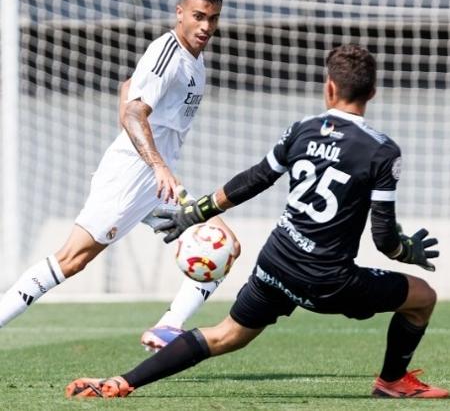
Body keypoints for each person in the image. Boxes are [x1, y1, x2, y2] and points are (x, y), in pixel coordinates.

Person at [66, 44, 448, 399]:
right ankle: (392, 381)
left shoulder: (303, 130)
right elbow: (384, 238)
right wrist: (406, 250)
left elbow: (254, 179)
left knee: (225, 335)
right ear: (372, 92)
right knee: (423, 299)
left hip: (276, 265)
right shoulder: (382, 150)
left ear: (329, 87)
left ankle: (122, 381)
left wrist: (196, 213)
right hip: (327, 280)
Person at [0, 0, 240, 351]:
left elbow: (128, 88)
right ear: (180, 13)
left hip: (156, 178)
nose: (206, 26)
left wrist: (154, 160)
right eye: (198, 16)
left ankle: (168, 327)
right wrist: (155, 164)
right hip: (132, 175)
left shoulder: (195, 58)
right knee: (72, 259)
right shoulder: (168, 53)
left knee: (227, 246)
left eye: (213, 18)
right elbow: (133, 111)